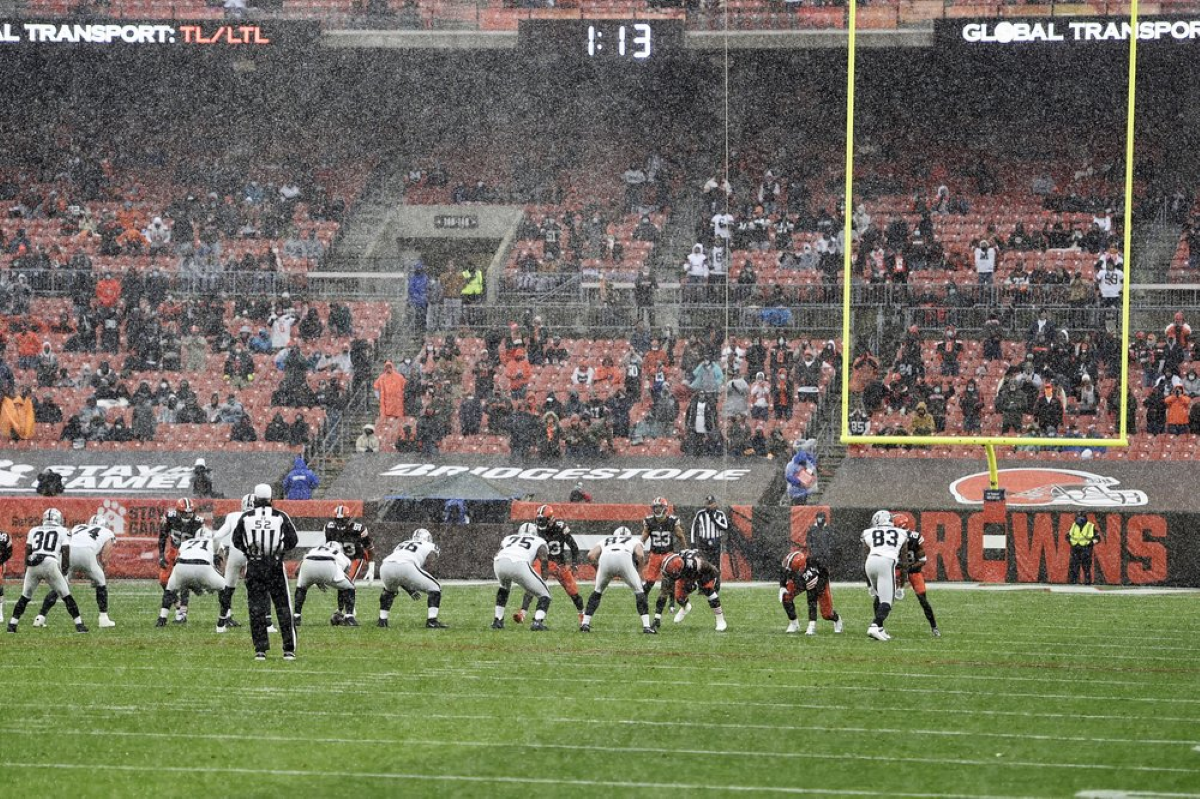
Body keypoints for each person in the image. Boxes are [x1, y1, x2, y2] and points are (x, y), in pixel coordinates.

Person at [232, 483, 299, 661]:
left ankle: (260, 649)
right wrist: (279, 550)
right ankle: (288, 649)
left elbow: (236, 540)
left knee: (256, 608)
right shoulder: (280, 516)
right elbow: (293, 540)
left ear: (254, 499)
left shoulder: (246, 517)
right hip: (275, 564)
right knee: (283, 606)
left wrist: (250, 552)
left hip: (254, 565)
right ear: (271, 499)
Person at [6, 509, 89, 634]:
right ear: (58, 519)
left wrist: (27, 567)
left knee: (25, 597)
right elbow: (65, 551)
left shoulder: (34, 530)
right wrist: (65, 570)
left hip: (34, 562)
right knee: (66, 596)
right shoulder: (63, 531)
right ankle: (79, 625)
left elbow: (28, 550)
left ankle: (12, 624)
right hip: (50, 562)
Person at [34, 511, 118, 629]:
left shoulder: (79, 527)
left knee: (60, 585)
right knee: (101, 582)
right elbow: (104, 558)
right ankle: (103, 618)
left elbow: (66, 539)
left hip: (68, 552)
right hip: (86, 552)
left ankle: (40, 617)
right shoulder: (107, 532)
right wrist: (98, 573)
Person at [513, 505, 584, 624]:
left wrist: (574, 564)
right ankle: (522, 613)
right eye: (539, 520)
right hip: (542, 562)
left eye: (543, 520)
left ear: (551, 519)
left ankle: (582, 615)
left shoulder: (560, 528)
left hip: (559, 564)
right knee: (532, 585)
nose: (540, 523)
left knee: (573, 592)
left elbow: (574, 547)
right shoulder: (535, 530)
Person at [860, 509, 923, 641]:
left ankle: (880, 629)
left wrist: (868, 584)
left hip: (870, 563)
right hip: (886, 563)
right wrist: (901, 585)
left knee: (879, 596)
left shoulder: (868, 532)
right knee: (887, 602)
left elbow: (864, 558)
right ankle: (874, 626)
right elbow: (904, 561)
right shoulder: (901, 533)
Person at [579, 526, 654, 634]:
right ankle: (646, 626)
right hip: (624, 556)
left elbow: (590, 555)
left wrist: (599, 569)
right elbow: (640, 555)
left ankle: (585, 624)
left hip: (606, 557)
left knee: (597, 591)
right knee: (639, 591)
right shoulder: (634, 540)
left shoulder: (606, 540)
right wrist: (640, 572)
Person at [378, 528, 448, 629]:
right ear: (428, 538)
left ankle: (382, 620)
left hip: (385, 566)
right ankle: (432, 621)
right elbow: (431, 563)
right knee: (435, 588)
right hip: (407, 565)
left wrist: (410, 590)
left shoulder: (402, 543)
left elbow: (398, 572)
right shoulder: (430, 545)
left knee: (389, 592)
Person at [154, 530, 225, 627]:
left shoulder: (186, 542)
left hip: (181, 564)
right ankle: (225, 617)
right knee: (225, 587)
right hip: (202, 565)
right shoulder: (213, 542)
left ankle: (162, 618)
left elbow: (177, 558)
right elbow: (220, 561)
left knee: (169, 590)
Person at [490, 522, 551, 631]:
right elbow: (544, 560)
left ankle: (498, 620)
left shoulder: (509, 538)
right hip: (519, 562)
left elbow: (497, 553)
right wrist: (545, 579)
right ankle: (537, 622)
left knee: (504, 588)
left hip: (499, 562)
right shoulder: (539, 541)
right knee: (545, 594)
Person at [640, 496, 686, 629]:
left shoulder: (672, 521)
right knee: (649, 582)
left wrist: (685, 550)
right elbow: (643, 537)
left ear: (665, 508)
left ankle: (668, 606)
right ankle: (642, 603)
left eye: (659, 507)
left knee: (667, 584)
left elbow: (681, 536)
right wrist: (638, 546)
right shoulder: (649, 521)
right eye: (655, 507)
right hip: (654, 555)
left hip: (668, 555)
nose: (657, 509)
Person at [891, 512, 940, 637]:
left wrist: (906, 570)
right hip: (896, 570)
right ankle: (878, 624)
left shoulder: (913, 538)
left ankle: (934, 626)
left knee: (923, 600)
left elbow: (922, 560)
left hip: (912, 570)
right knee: (883, 597)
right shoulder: (894, 537)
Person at [158, 498, 206, 624]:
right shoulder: (170, 517)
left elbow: (201, 542)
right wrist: (161, 555)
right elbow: (162, 536)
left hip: (188, 553)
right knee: (164, 581)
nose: (188, 515)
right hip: (173, 551)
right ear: (178, 512)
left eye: (190, 513)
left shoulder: (198, 522)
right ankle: (178, 604)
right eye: (184, 513)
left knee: (185, 582)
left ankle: (182, 613)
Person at [213, 493, 256, 632]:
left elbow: (217, 537)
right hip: (253, 553)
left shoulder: (233, 516)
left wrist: (215, 553)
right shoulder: (262, 516)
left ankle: (221, 622)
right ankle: (266, 623)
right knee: (258, 587)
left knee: (228, 588)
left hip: (235, 552)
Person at [292, 540, 358, 628]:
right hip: (328, 563)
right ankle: (349, 617)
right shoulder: (339, 553)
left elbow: (297, 571)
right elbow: (345, 572)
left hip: (308, 563)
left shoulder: (314, 550)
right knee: (349, 588)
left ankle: (296, 617)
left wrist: (317, 579)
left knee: (301, 588)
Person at [324, 505, 373, 621]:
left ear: (349, 518)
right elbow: (329, 547)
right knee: (341, 583)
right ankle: (341, 610)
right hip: (341, 559)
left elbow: (370, 548)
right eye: (338, 520)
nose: (340, 523)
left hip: (356, 557)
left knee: (348, 583)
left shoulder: (358, 528)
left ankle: (350, 612)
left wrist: (371, 567)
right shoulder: (330, 528)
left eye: (343, 520)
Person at [779, 547, 842, 635]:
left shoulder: (812, 574)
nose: (789, 571)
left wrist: (811, 624)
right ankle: (794, 624)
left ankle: (836, 619)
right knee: (786, 596)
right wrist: (782, 586)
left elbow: (812, 601)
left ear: (800, 568)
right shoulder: (792, 566)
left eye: (792, 569)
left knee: (827, 614)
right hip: (800, 580)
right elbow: (784, 572)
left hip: (820, 582)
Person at [660, 549, 727, 632]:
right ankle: (686, 607)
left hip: (703, 572)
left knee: (709, 592)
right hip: (687, 573)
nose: (669, 576)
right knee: (679, 598)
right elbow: (664, 591)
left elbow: (713, 570)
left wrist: (714, 584)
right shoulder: (675, 562)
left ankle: (720, 619)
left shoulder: (697, 563)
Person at [689, 495, 729, 591]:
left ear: (715, 504)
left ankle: (716, 587)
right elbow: (694, 528)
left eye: (711, 503)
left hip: (716, 543)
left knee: (715, 566)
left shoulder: (720, 514)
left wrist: (713, 519)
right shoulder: (700, 514)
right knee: (702, 565)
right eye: (707, 503)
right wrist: (693, 543)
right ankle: (703, 587)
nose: (709, 505)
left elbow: (725, 527)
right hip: (703, 543)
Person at [1066, 513, 1099, 585]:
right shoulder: (1074, 525)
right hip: (1075, 548)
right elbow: (1068, 535)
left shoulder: (1090, 526)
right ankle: (1073, 581)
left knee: (1086, 567)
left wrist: (1091, 543)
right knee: (1074, 566)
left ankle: (1087, 582)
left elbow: (1097, 538)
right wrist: (1071, 542)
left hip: (1086, 549)